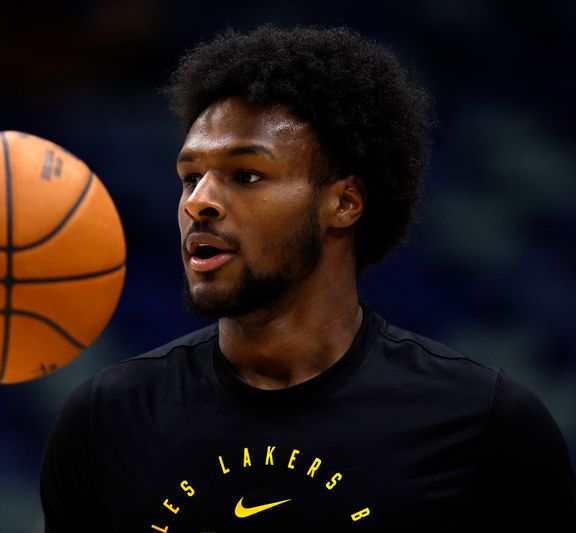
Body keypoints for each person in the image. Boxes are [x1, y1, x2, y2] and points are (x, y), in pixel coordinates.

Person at [40, 25, 576, 531]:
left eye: (245, 175)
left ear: (343, 203)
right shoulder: (106, 419)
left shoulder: (485, 425)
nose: (198, 202)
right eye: (189, 177)